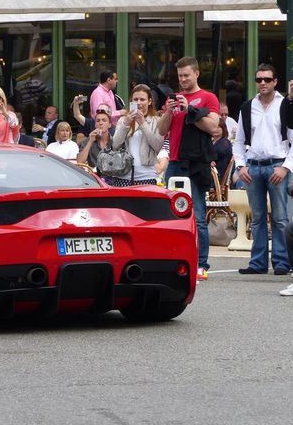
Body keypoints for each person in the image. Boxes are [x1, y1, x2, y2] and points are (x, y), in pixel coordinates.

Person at [157, 56, 220, 281]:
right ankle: (174, 261)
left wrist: (191, 111)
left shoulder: (207, 97)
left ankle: (202, 264)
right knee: (171, 215)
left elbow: (214, 127)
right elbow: (162, 130)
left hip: (195, 163)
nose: (183, 79)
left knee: (198, 215)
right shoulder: (172, 98)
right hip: (174, 162)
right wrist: (169, 111)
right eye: (180, 76)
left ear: (196, 74)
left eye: (186, 75)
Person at [233, 64, 293, 276]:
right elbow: (238, 141)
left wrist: (286, 167)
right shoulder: (247, 107)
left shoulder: (285, 105)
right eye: (259, 80)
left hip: (278, 164)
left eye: (267, 79)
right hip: (254, 167)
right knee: (257, 217)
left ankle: (281, 262)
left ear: (275, 81)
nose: (263, 83)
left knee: (280, 217)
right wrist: (240, 166)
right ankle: (257, 263)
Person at [110, 84, 164, 186]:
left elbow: (157, 146)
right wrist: (126, 124)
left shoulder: (156, 120)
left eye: (142, 99)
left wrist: (143, 124)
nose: (138, 103)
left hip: (147, 176)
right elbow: (115, 145)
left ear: (149, 101)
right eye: (135, 99)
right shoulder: (123, 120)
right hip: (123, 175)